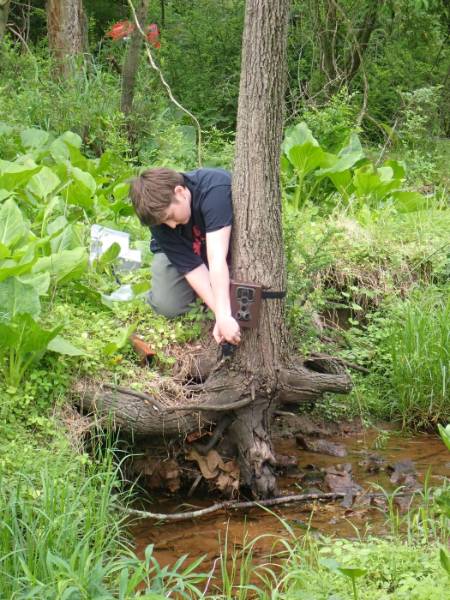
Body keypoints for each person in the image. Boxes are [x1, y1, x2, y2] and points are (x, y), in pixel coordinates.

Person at [129, 167, 241, 346]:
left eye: (170, 216)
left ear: (179, 192)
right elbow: (193, 269)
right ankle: (159, 290)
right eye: (164, 222)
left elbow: (216, 257)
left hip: (219, 245)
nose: (171, 225)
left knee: (227, 280)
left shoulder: (214, 189)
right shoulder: (158, 218)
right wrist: (222, 316)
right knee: (168, 306)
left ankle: (205, 295)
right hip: (186, 252)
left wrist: (224, 314)